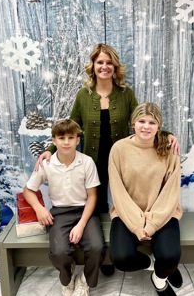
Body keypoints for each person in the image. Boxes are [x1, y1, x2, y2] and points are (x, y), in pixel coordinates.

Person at [35, 43, 179, 275]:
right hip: (94, 158)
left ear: (115, 67)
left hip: (124, 158)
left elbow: (142, 119)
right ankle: (103, 254)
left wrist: (167, 133)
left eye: (109, 62)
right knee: (97, 203)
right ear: (93, 66)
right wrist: (50, 149)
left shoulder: (125, 94)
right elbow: (73, 125)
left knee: (127, 200)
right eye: (100, 62)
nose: (104, 66)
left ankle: (151, 246)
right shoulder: (83, 96)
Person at [23, 119, 106, 296]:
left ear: (78, 140)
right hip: (59, 213)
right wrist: (39, 208)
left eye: (71, 137)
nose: (66, 142)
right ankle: (67, 278)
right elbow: (28, 190)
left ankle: (85, 280)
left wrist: (81, 224)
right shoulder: (47, 164)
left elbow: (93, 196)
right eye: (61, 138)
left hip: (85, 211)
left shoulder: (87, 162)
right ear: (54, 141)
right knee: (59, 252)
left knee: (97, 247)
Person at [108, 102, 183, 296]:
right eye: (142, 121)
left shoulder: (168, 148)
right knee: (121, 258)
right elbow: (118, 192)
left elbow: (170, 192)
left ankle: (159, 280)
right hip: (128, 212)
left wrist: (150, 224)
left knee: (170, 256)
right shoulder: (119, 149)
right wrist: (136, 224)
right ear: (133, 123)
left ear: (159, 126)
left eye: (152, 122)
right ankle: (153, 265)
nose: (146, 126)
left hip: (162, 212)